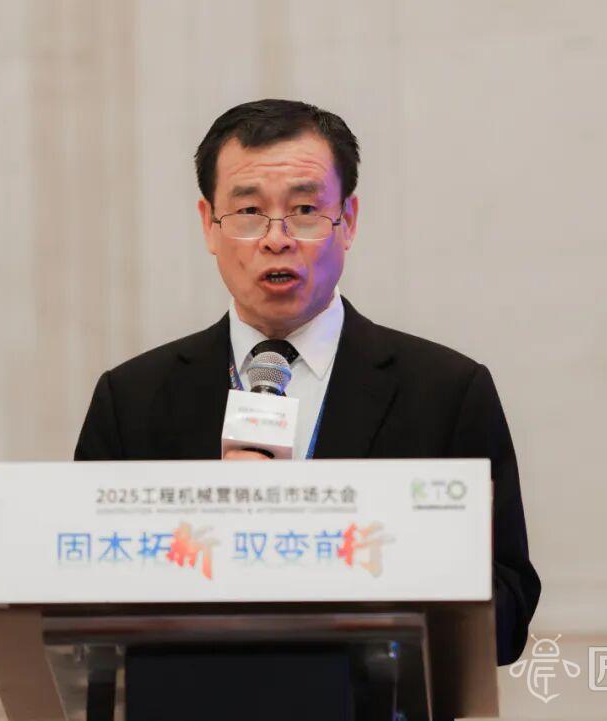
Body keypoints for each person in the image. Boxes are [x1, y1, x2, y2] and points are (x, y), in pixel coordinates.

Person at [75, 98, 540, 665]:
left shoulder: (446, 391)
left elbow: (508, 615)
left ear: (348, 221)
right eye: (249, 211)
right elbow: (80, 601)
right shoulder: (132, 399)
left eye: (304, 210)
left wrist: (355, 562)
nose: (277, 238)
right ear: (208, 225)